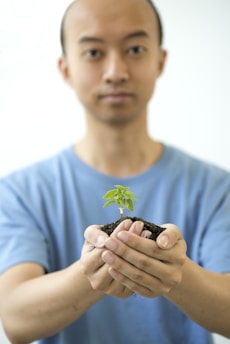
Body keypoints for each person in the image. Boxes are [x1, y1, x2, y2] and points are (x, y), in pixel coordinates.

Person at [0, 0, 230, 343]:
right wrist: (91, 272)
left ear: (160, 60)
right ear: (65, 68)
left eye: (135, 49)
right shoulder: (20, 191)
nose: (115, 72)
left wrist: (175, 273)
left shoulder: (215, 188)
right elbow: (14, 318)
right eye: (93, 52)